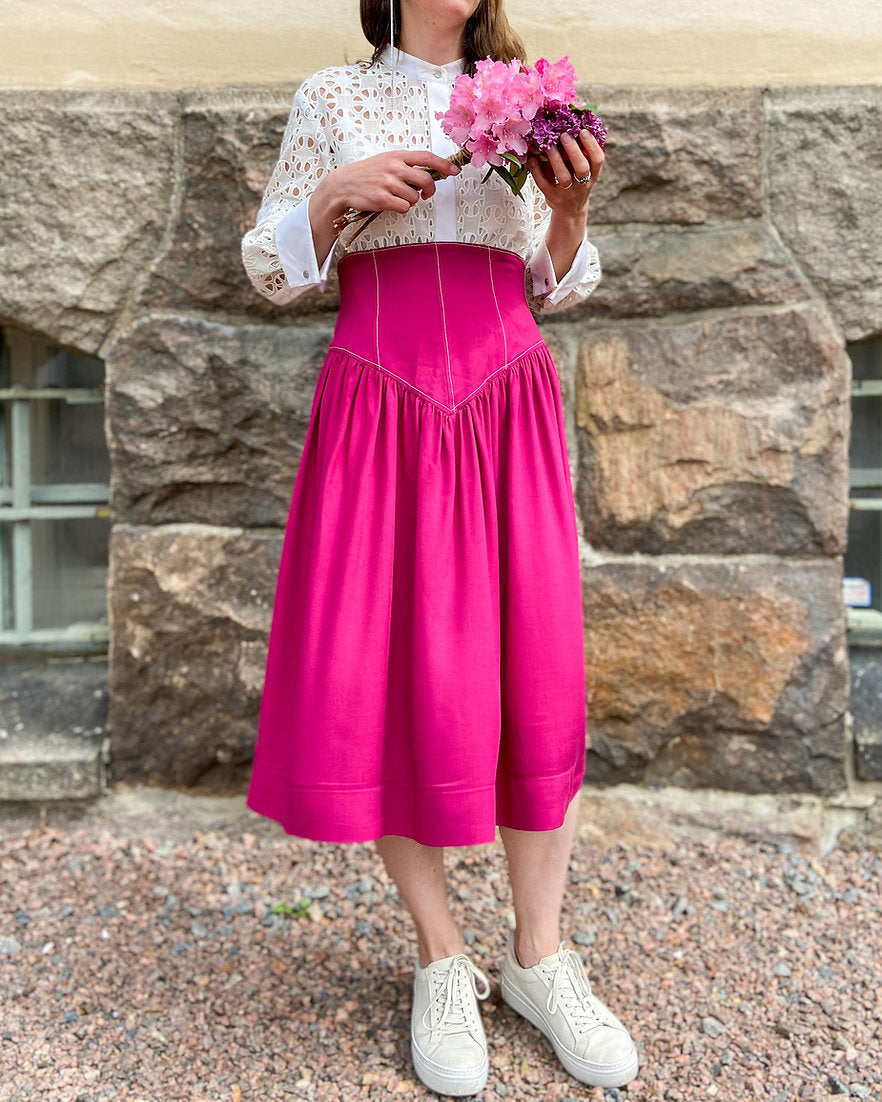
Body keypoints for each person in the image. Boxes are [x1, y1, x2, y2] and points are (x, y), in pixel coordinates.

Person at [241, 0, 639, 1094]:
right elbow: (272, 270)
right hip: (380, 406)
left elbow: (555, 281)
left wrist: (571, 210)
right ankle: (441, 956)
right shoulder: (335, 99)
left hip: (506, 401)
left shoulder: (537, 101)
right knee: (387, 674)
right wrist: (329, 200)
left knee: (538, 671)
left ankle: (540, 955)